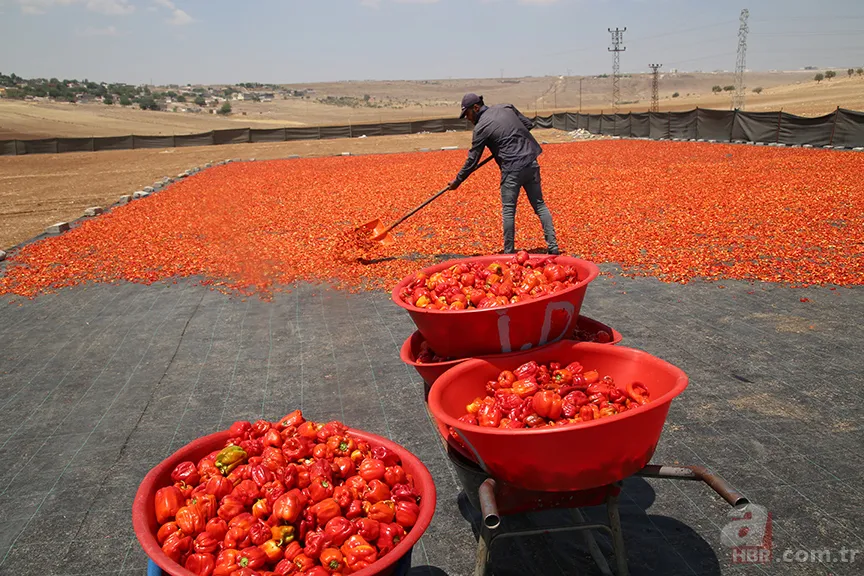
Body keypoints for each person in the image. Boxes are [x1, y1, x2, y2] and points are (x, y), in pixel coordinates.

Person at [448, 93, 560, 255]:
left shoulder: (481, 129)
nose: (467, 118)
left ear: (476, 108)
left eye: (467, 114)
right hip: (531, 161)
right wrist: (509, 137)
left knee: (509, 210)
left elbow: (472, 160)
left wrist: (457, 181)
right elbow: (527, 124)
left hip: (512, 169)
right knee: (539, 205)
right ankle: (553, 247)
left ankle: (508, 252)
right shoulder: (506, 107)